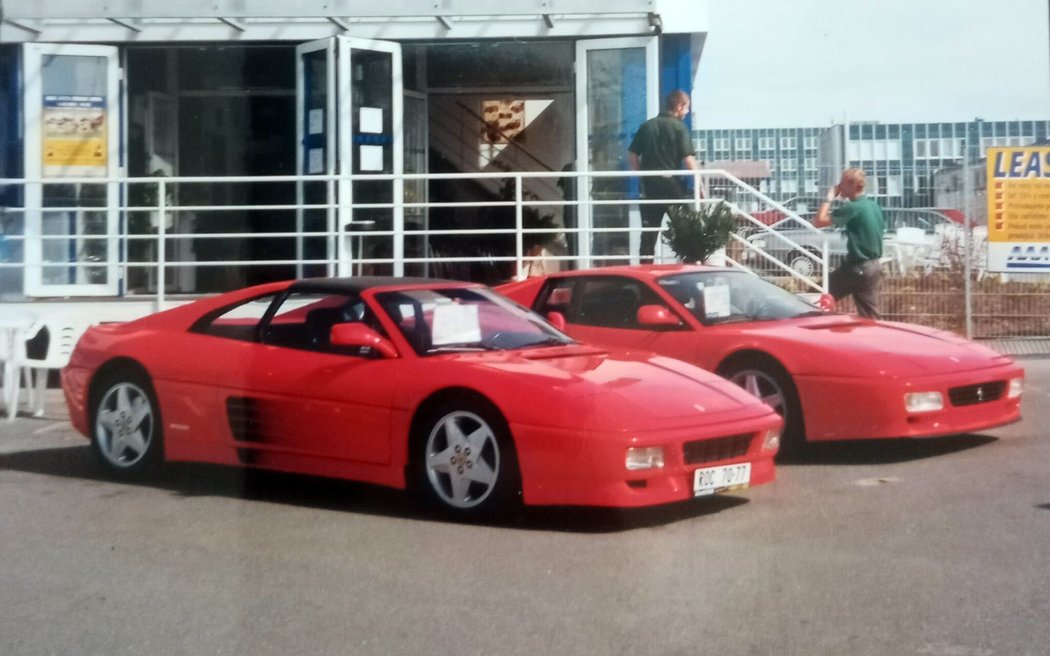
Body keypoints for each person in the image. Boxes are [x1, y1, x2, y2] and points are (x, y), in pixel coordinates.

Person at [628, 89, 701, 261]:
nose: (688, 111)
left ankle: (646, 268)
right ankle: (692, 263)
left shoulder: (647, 126)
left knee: (649, 233)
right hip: (671, 187)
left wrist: (642, 176)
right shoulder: (679, 128)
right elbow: (688, 159)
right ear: (678, 106)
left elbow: (632, 155)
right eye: (687, 107)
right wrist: (699, 183)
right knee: (687, 227)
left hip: (650, 187)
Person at [812, 167, 886, 319]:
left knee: (815, 295)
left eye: (842, 183)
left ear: (851, 185)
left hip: (857, 267)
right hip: (874, 266)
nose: (839, 187)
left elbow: (818, 221)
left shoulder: (853, 207)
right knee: (869, 315)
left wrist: (830, 197)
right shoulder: (873, 206)